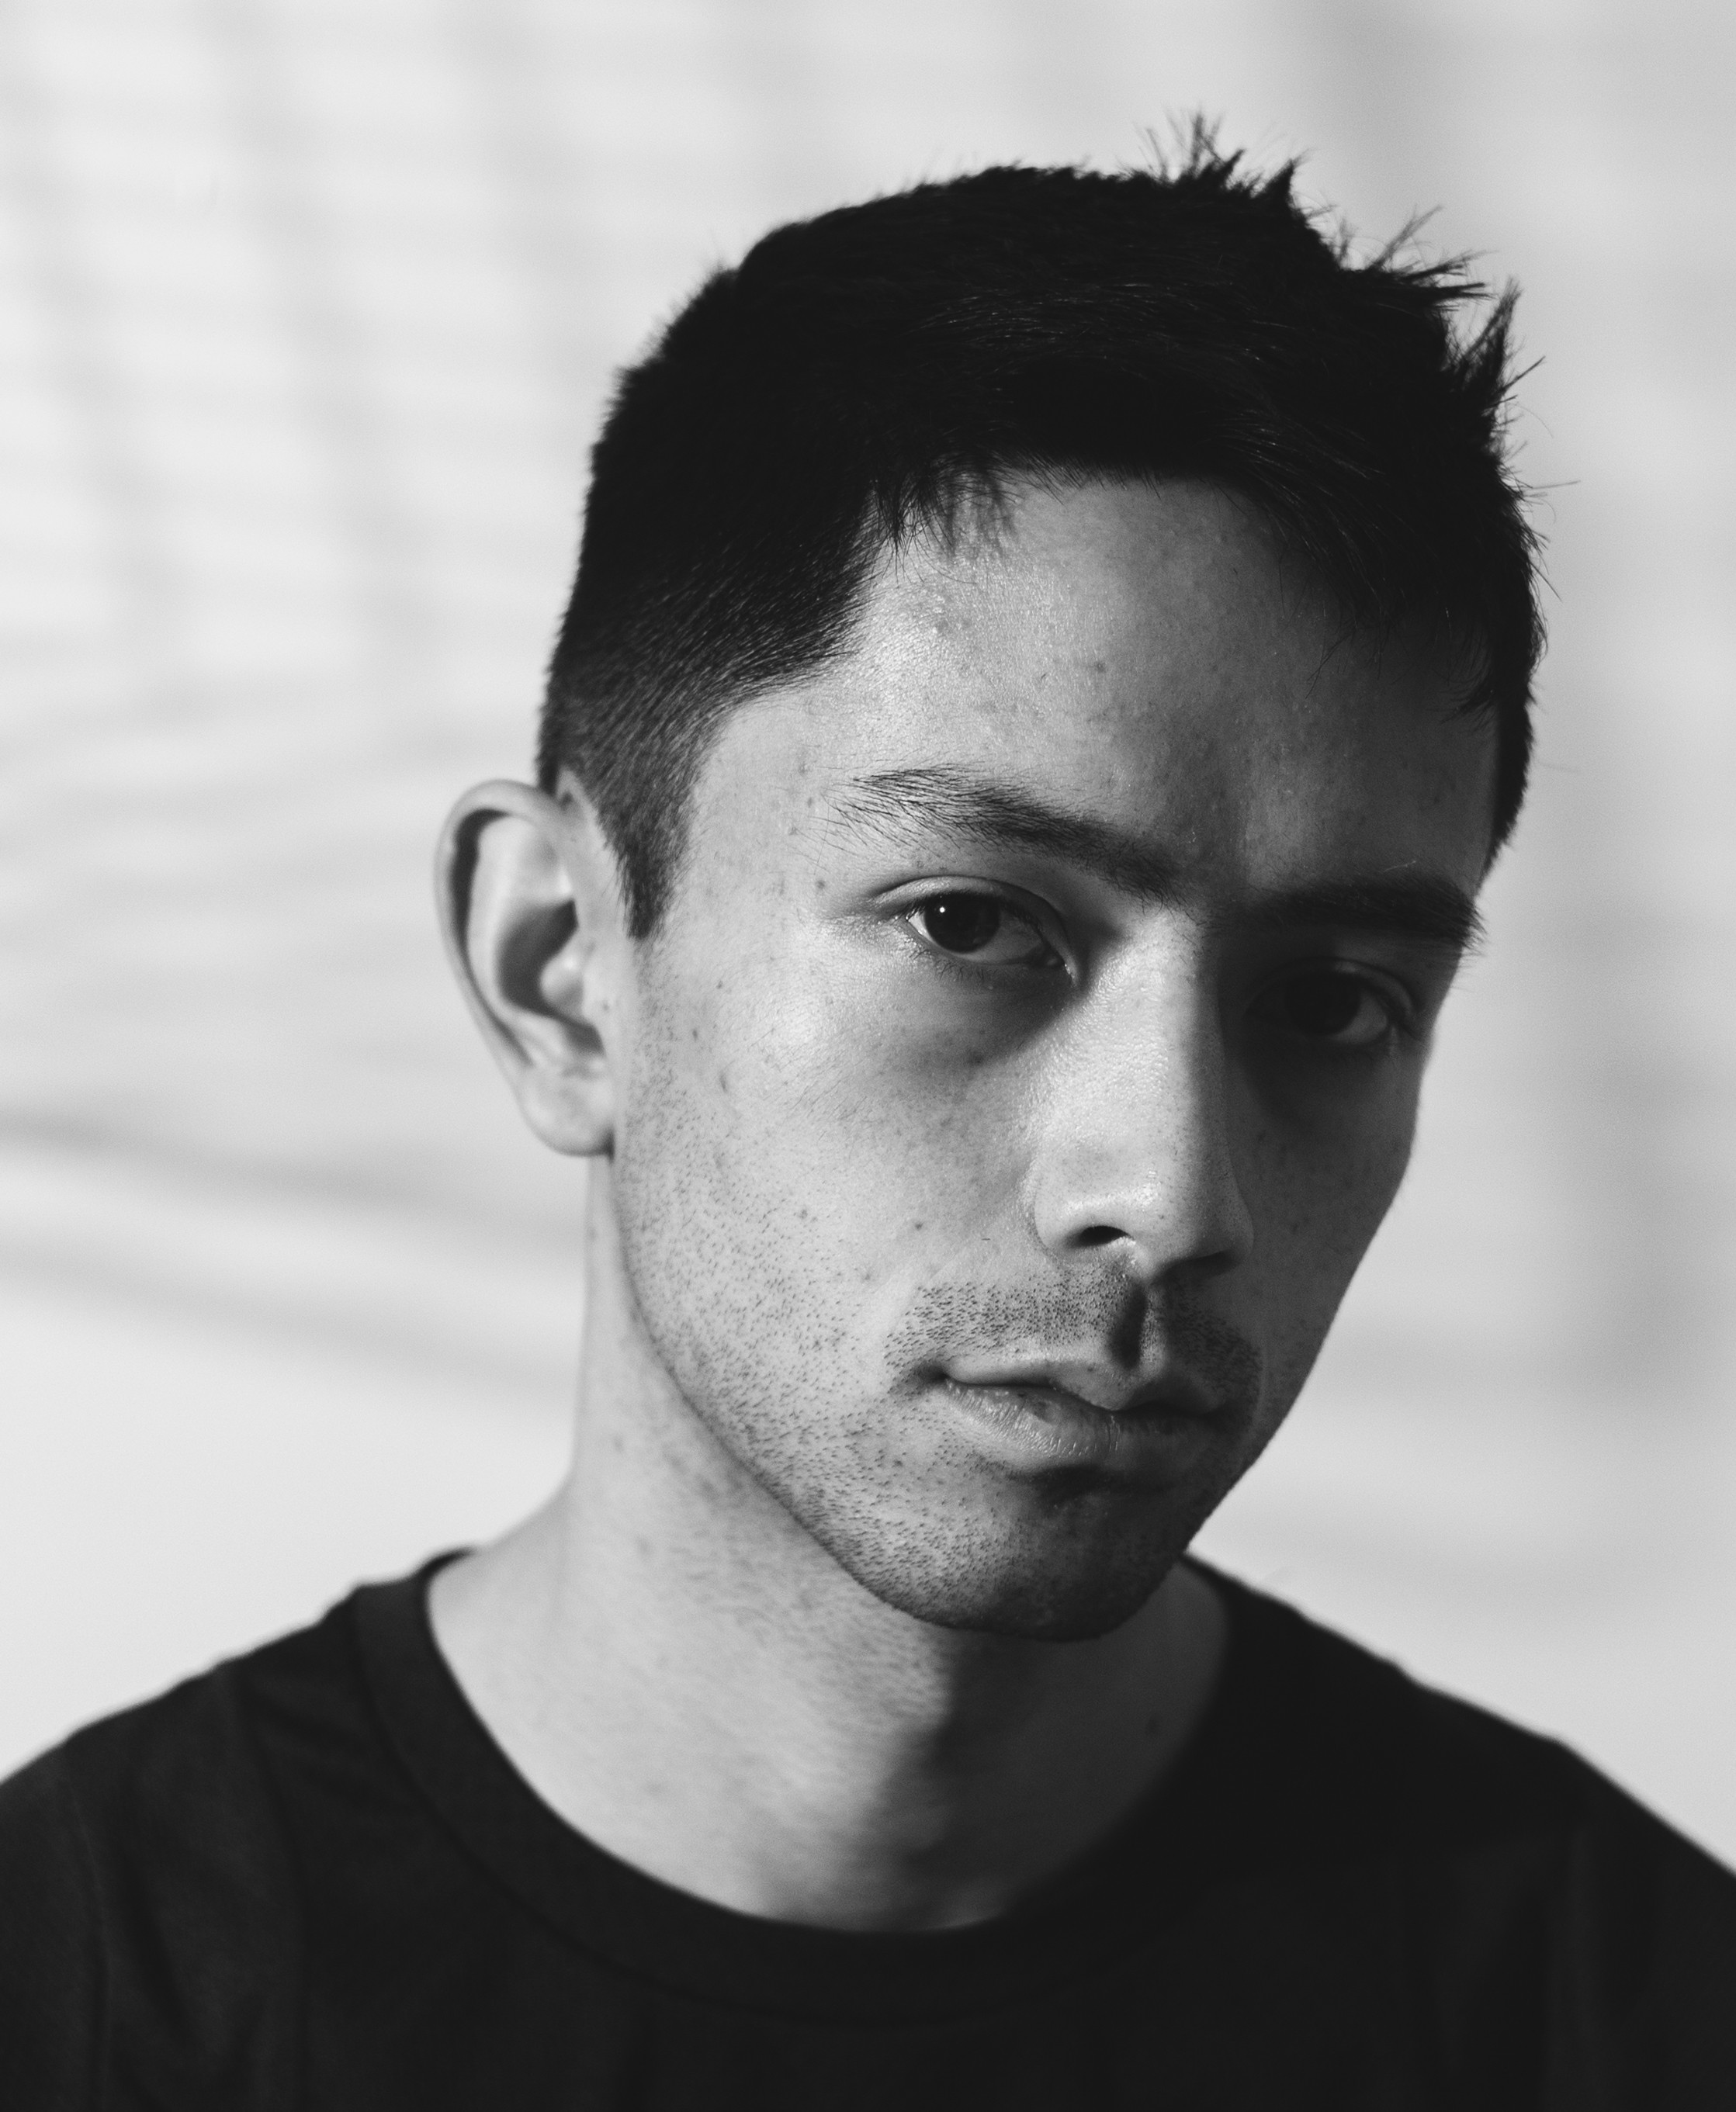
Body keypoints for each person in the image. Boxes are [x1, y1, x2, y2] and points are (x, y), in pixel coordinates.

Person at [3, 134, 1732, 2108]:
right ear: (561, 961)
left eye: (1334, 1000)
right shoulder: (89, 1998)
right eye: (975, 922)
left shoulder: (1629, 2015)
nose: (1169, 1192)